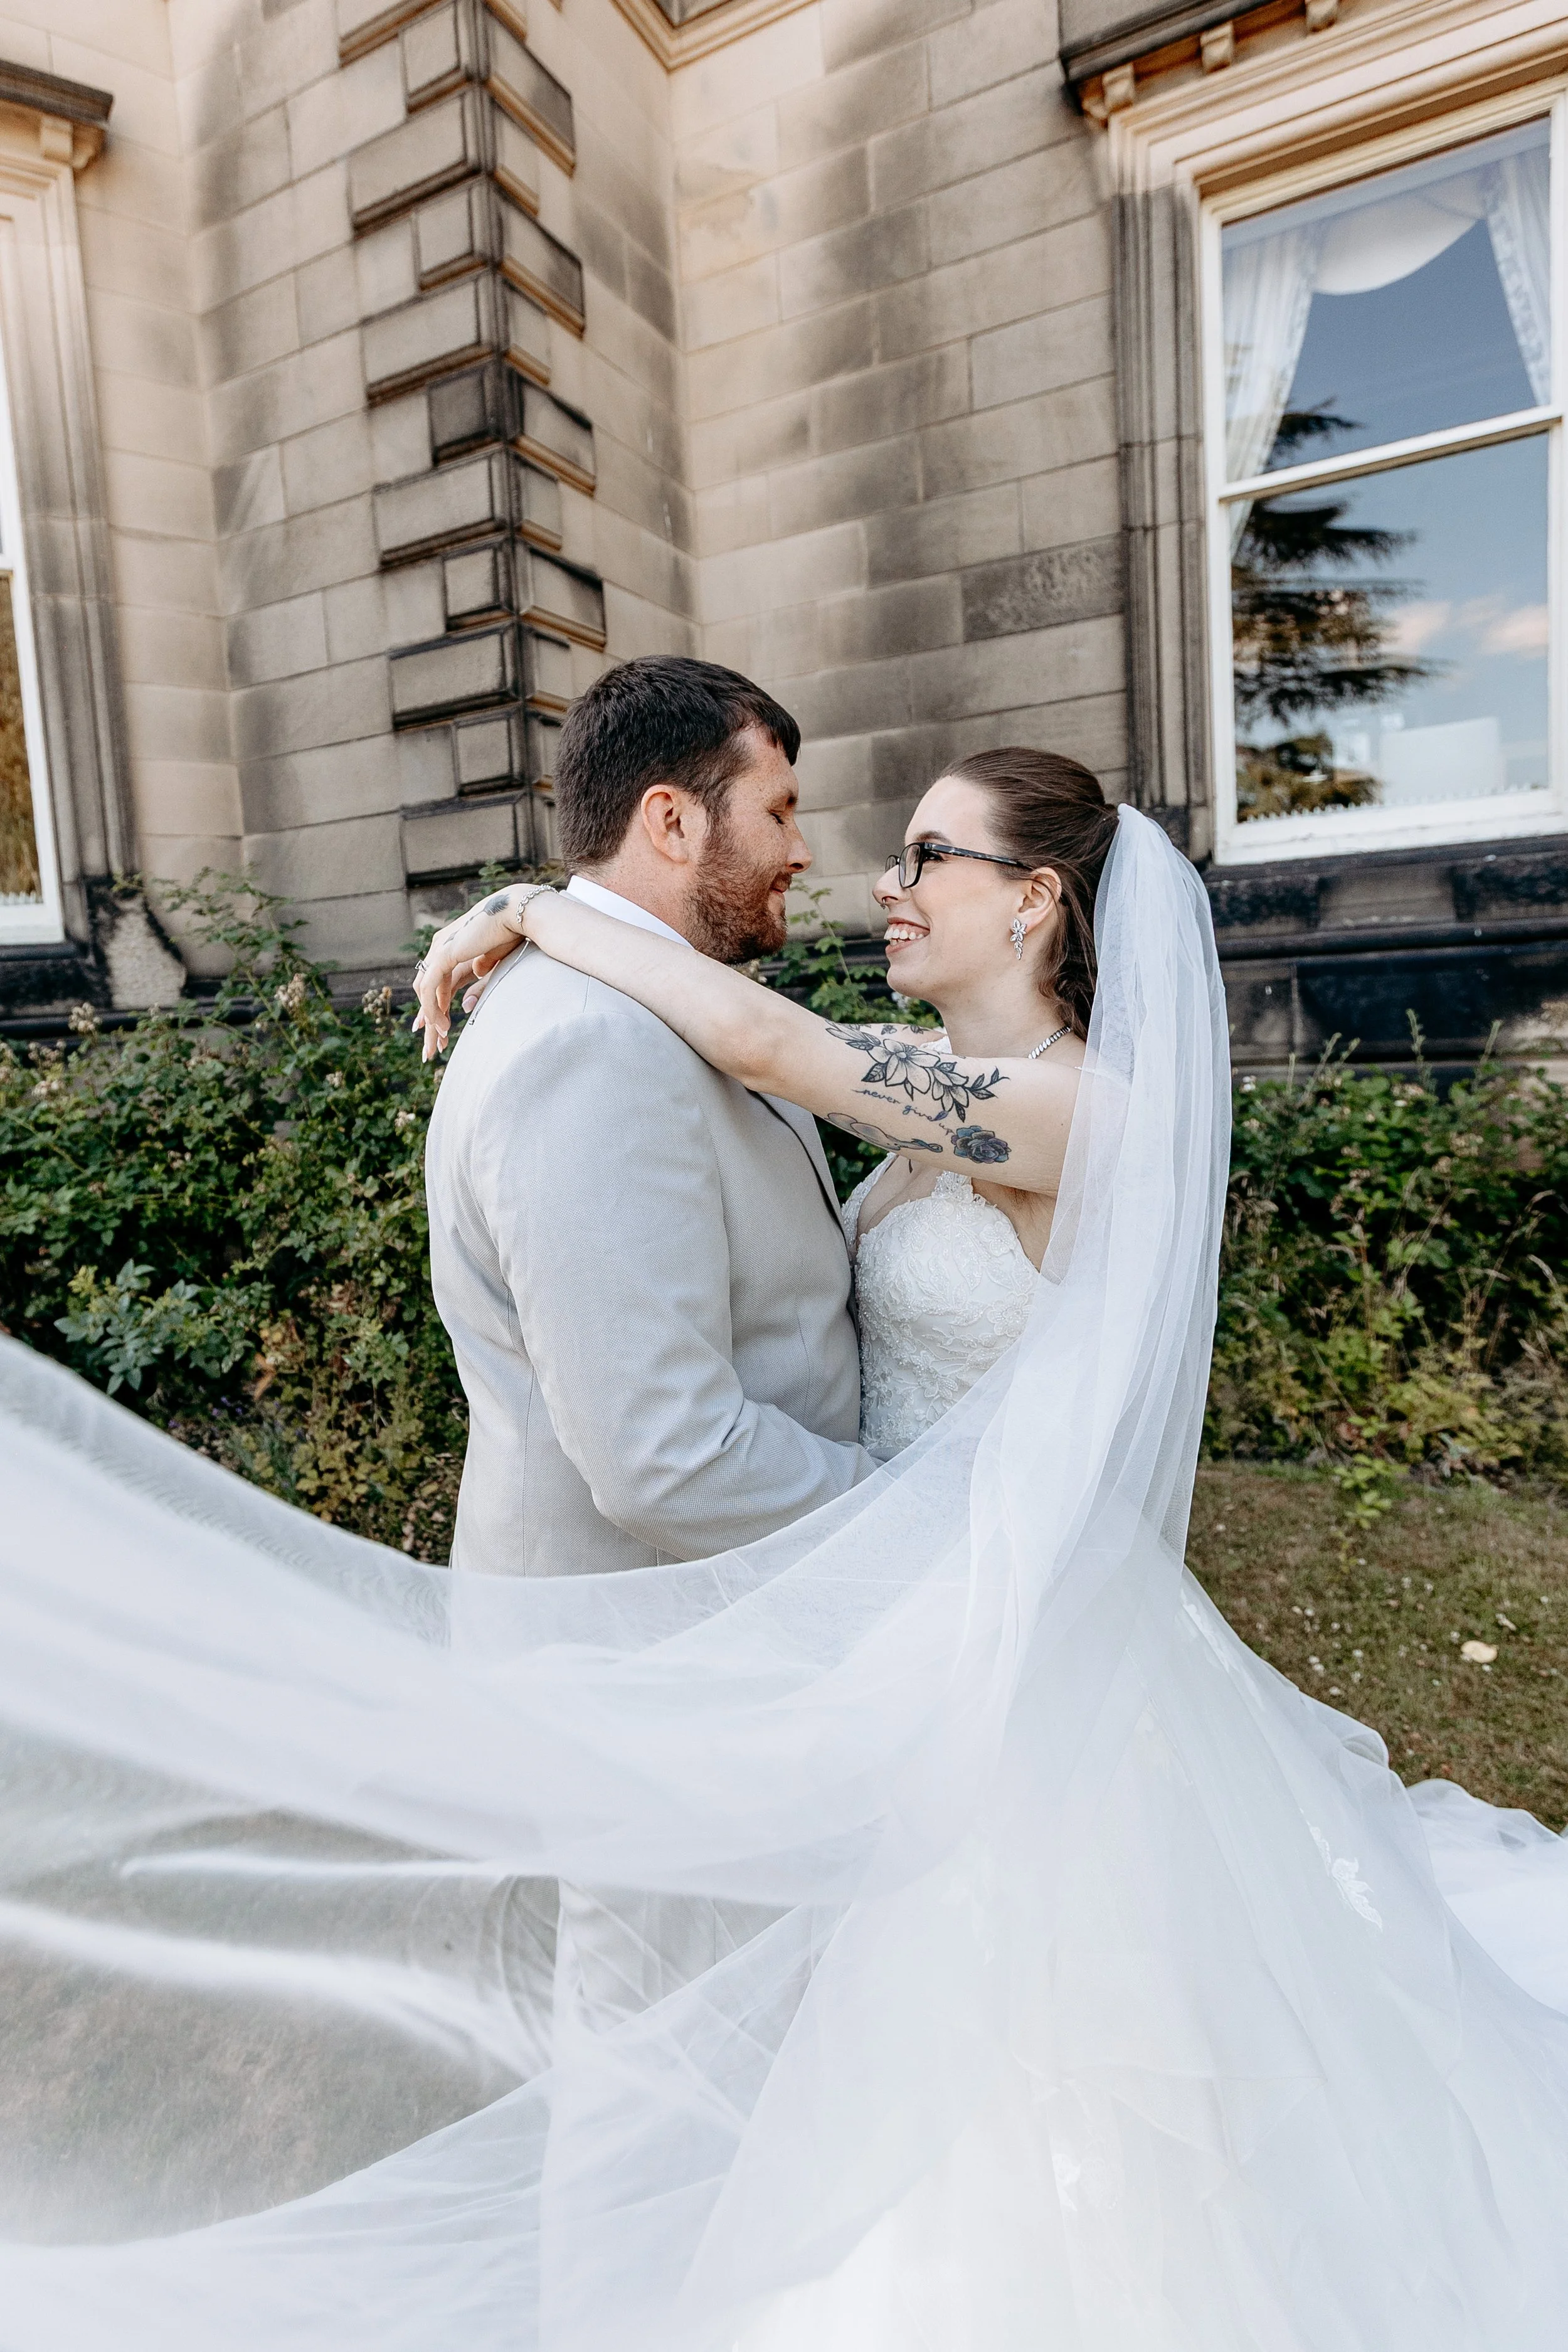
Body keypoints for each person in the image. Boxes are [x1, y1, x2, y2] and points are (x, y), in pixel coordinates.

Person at [1, 733, 1567, 2349]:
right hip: (902, 1627)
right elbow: (765, 1111)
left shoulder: (1066, 1108)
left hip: (1007, 1647)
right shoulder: (937, 1102)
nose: (879, 881)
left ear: (1034, 900)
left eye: (924, 858)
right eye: (873, 847)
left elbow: (770, 1042)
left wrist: (540, 907)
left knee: (1053, 2060)